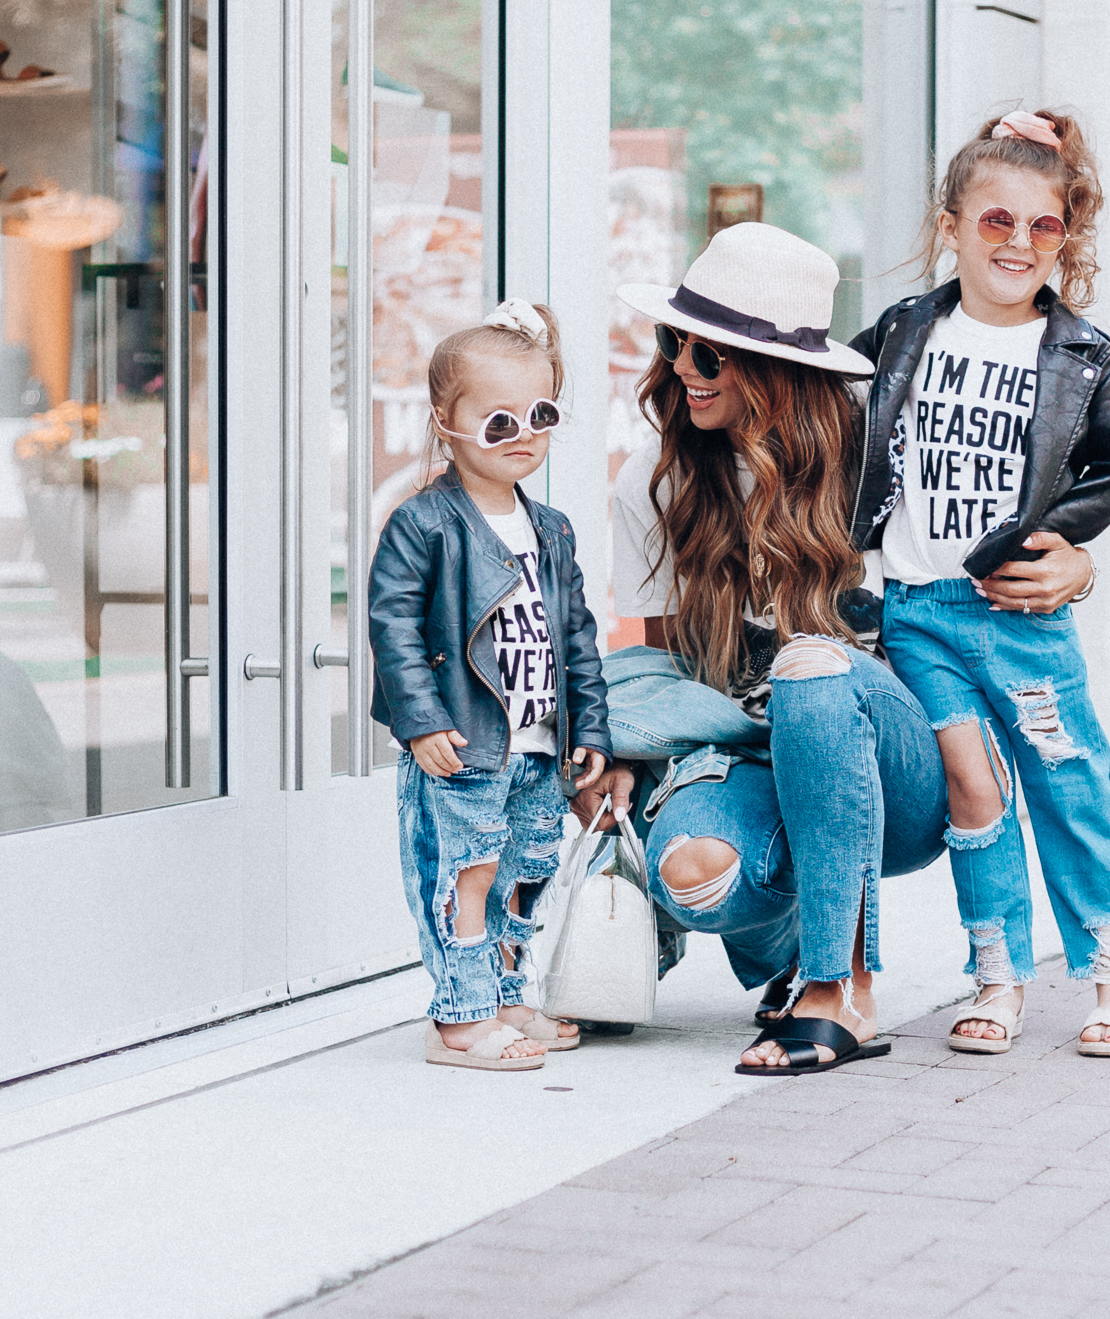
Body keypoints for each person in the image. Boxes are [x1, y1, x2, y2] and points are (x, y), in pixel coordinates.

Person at [596, 221, 951, 1076]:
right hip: (750, 749)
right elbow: (668, 660)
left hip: (898, 769)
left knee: (813, 667)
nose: (682, 367)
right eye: (675, 341)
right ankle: (794, 946)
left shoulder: (881, 455)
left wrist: (1075, 559)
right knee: (699, 876)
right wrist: (629, 747)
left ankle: (842, 986)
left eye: (710, 355)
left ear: (778, 372)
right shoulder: (661, 477)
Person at [847, 107, 1110, 1057]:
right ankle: (996, 976)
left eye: (1044, 226)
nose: (1019, 243)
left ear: (1065, 238)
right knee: (973, 792)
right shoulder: (901, 335)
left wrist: (1069, 549)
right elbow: (819, 409)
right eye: (995, 221)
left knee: (1069, 786)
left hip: (1015, 614)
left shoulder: (1080, 355)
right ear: (952, 225)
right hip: (917, 615)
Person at [368, 300, 612, 1071]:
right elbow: (393, 625)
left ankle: (509, 996)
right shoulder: (425, 523)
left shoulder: (552, 528)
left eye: (539, 415)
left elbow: (576, 638)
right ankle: (462, 1017)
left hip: (537, 747)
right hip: (464, 743)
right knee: (466, 874)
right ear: (446, 422)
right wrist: (420, 720)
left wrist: (592, 733)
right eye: (499, 423)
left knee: (523, 877)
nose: (525, 437)